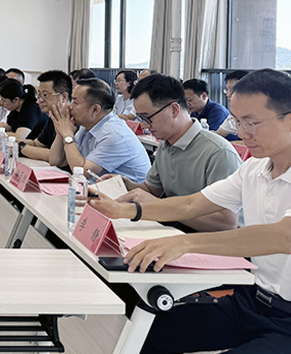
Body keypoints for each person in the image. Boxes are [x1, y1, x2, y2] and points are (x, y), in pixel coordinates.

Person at [90, 69, 291, 353]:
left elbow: (283, 236)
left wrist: (184, 243)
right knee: (142, 335)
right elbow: (191, 204)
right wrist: (124, 210)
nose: (242, 133)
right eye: (237, 121)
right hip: (251, 300)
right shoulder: (254, 167)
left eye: (252, 123)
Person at [106, 73, 241, 232]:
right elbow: (152, 190)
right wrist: (126, 184)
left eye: (147, 118)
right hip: (174, 229)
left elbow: (227, 223)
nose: (145, 125)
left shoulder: (218, 153)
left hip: (205, 239)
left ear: (174, 110)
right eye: (141, 118)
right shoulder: (166, 144)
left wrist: (162, 206)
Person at [49, 77, 150, 182]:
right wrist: (61, 133)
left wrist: (67, 134)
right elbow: (56, 161)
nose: (70, 106)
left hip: (127, 192)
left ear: (95, 110)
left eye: (75, 102)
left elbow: (82, 172)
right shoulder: (87, 126)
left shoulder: (113, 134)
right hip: (101, 189)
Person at [19, 70, 72, 162]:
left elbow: (59, 157)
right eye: (39, 95)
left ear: (63, 97)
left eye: (45, 95)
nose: (40, 100)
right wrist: (10, 142)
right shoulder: (53, 117)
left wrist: (21, 148)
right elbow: (36, 144)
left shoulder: (73, 120)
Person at [217, 70, 251, 141]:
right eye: (227, 90)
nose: (228, 94)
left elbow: (260, 144)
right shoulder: (235, 113)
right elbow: (217, 136)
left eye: (232, 90)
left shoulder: (260, 113)